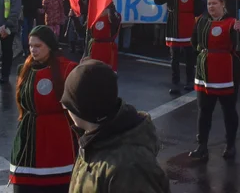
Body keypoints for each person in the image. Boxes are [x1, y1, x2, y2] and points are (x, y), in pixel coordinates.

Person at [63, 60, 170, 192]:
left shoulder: (129, 168)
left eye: (67, 104)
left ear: (83, 110)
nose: (63, 107)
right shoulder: (93, 140)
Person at [9, 25, 78, 192]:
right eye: (31, 45)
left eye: (38, 46)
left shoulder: (67, 68)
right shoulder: (24, 69)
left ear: (50, 46)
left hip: (57, 136)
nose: (33, 50)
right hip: (27, 135)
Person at [188, 0, 240, 161]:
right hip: (205, 71)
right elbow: (194, 42)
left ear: (223, 5)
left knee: (228, 110)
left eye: (214, 3)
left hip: (227, 72)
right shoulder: (202, 21)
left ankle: (230, 145)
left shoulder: (232, 22)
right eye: (209, 4)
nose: (211, 7)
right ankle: (202, 146)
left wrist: (239, 31)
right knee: (204, 110)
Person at [154, 0, 202, 95]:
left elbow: (199, 10)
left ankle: (190, 81)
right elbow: (158, 1)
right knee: (174, 58)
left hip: (187, 26)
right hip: (173, 26)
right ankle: (175, 82)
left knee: (189, 57)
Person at [87, 2, 121, 72]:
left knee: (107, 75)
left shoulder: (115, 15)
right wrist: (74, 19)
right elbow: (82, 32)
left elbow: (114, 22)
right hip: (94, 50)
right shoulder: (93, 16)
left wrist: (110, 8)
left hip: (108, 50)